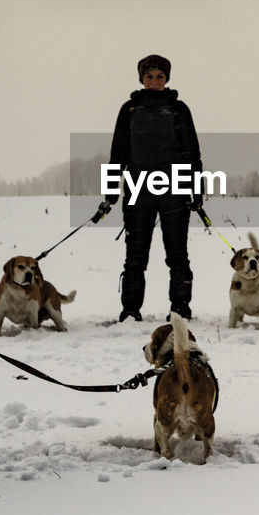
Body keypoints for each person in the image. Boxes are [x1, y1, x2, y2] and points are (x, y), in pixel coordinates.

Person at [97, 54, 203, 323]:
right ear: (141, 79)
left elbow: (191, 151)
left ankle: (180, 308)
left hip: (175, 188)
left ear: (166, 79)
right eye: (149, 77)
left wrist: (196, 189)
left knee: (177, 254)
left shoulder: (179, 110)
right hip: (137, 189)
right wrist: (110, 193)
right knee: (135, 255)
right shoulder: (129, 110)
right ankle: (131, 310)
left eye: (159, 76)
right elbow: (118, 153)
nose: (154, 81)